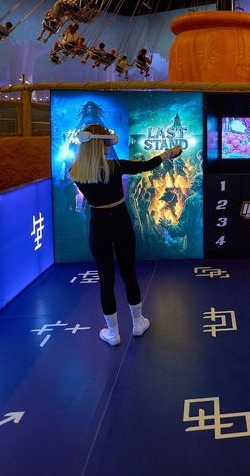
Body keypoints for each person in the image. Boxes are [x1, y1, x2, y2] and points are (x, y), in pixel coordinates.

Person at [68, 124, 184, 345]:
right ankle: (138, 323)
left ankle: (112, 333)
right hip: (121, 224)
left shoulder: (76, 172)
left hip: (98, 227)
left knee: (106, 279)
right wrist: (168, 153)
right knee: (128, 273)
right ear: (99, 144)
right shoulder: (115, 166)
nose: (107, 146)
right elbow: (146, 165)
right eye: (105, 143)